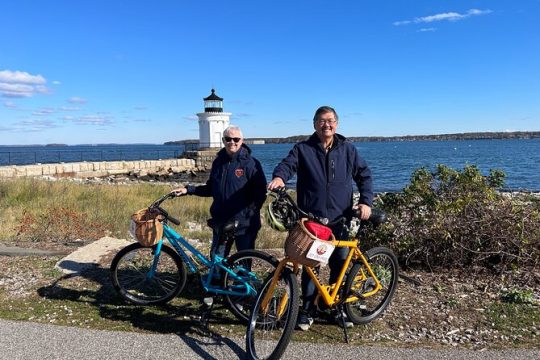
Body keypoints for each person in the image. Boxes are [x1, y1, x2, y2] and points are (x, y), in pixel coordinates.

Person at [268, 106, 374, 331]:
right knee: (310, 266)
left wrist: (366, 201)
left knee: (339, 264)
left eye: (331, 121)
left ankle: (336, 308)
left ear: (337, 123)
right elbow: (287, 165)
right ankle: (308, 310)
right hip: (312, 221)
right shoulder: (303, 149)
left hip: (340, 220)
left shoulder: (348, 149)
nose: (327, 125)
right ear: (315, 124)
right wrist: (279, 178)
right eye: (322, 121)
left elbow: (364, 175)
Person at [174, 125, 267, 260]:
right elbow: (211, 188)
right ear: (223, 140)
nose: (232, 142)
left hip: (244, 224)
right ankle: (218, 281)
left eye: (236, 139)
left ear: (242, 140)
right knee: (217, 260)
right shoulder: (218, 162)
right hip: (221, 221)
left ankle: (242, 281)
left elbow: (260, 193)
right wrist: (188, 189)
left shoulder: (251, 164)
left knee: (244, 260)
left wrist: (248, 213)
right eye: (228, 139)